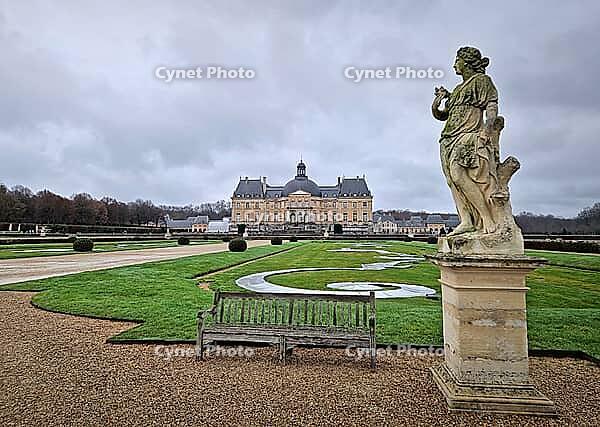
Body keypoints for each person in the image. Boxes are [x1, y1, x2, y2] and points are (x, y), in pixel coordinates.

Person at [432, 46, 502, 236]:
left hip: (468, 133)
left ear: (467, 62)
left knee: (458, 175)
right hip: (448, 137)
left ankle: (486, 216)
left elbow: (491, 106)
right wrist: (437, 102)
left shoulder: (481, 81)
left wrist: (488, 129)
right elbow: (443, 115)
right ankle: (466, 220)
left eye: (457, 60)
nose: (454, 64)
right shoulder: (456, 90)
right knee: (452, 181)